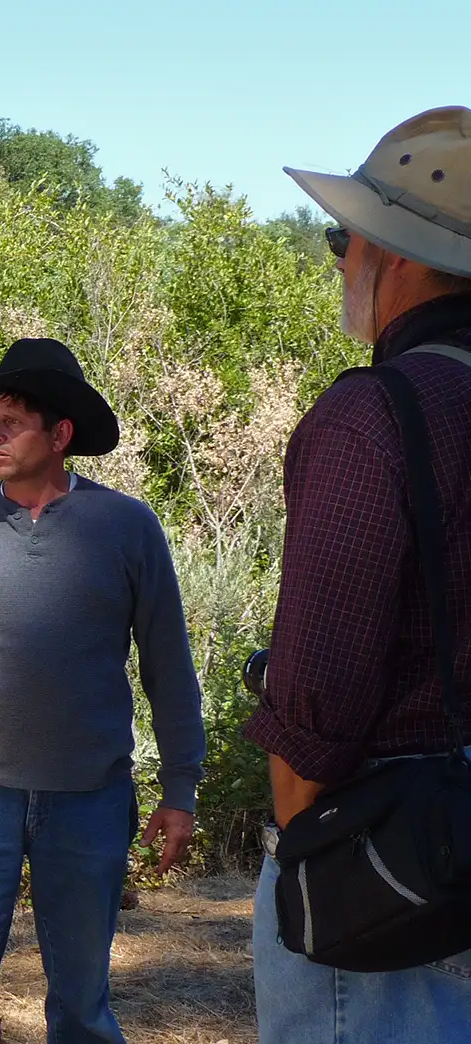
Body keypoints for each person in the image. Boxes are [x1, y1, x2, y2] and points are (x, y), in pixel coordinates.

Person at [0, 337, 206, 1044]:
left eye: (10, 422)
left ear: (60, 435)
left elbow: (168, 667)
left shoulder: (126, 528)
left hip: (90, 795)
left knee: (82, 1003)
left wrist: (181, 788)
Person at [247, 106, 471, 1042]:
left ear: (399, 257)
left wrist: (307, 846)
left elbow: (318, 697)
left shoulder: (371, 417)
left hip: (386, 870)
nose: (340, 258)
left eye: (344, 237)